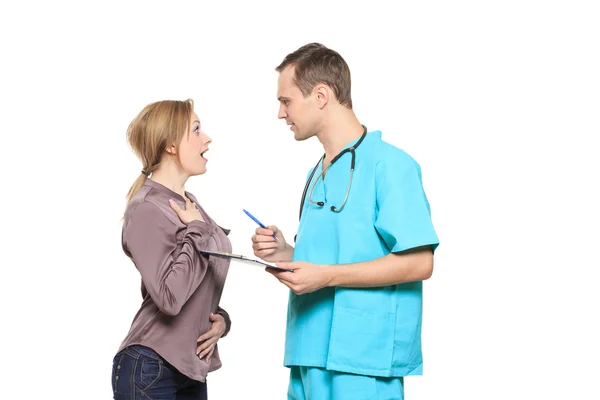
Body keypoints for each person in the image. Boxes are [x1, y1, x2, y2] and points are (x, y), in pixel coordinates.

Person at [251, 43, 439, 400]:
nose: (280, 113)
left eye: (286, 100)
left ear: (320, 95)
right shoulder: (317, 172)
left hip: (363, 360)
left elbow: (420, 261)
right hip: (308, 355)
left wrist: (325, 277)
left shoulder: (390, 166)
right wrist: (285, 251)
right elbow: (332, 254)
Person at [112, 99, 232, 400]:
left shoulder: (188, 203)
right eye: (196, 129)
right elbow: (169, 298)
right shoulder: (146, 209)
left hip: (190, 367)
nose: (207, 138)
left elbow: (200, 282)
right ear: (170, 145)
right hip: (151, 367)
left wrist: (221, 321)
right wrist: (196, 230)